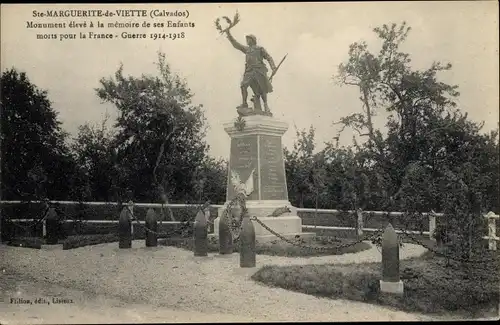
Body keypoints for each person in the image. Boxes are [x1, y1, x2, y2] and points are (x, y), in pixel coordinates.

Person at [226, 30, 277, 113]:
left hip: (259, 70)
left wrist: (273, 67)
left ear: (253, 40)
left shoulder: (260, 49)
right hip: (249, 71)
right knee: (243, 85)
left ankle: (265, 105)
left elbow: (268, 57)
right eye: (246, 39)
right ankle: (244, 103)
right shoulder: (247, 49)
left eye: (248, 39)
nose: (247, 41)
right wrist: (229, 34)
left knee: (262, 89)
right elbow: (236, 45)